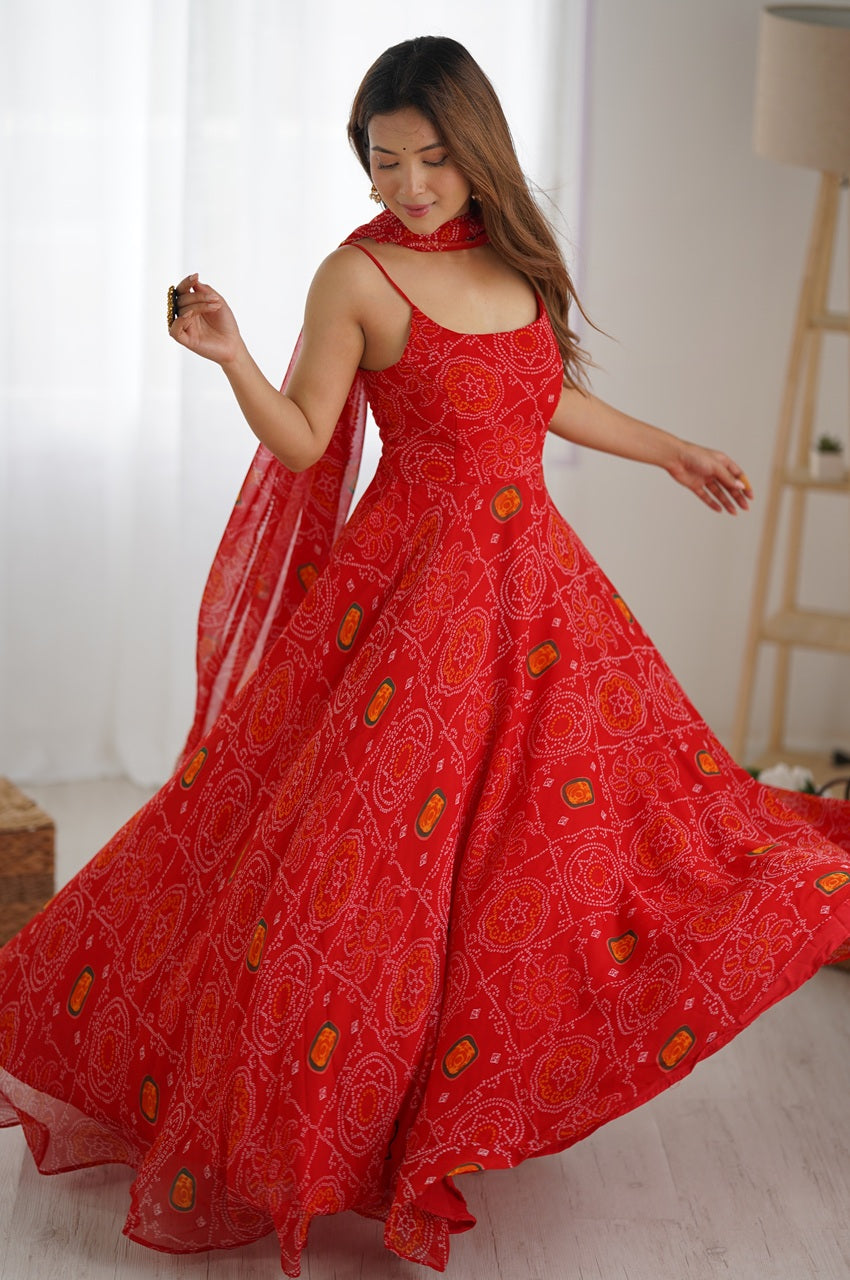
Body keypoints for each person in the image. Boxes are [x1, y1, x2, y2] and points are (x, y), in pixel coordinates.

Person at [2, 35, 850, 1278]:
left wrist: (671, 448)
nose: (409, 184)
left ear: (476, 148)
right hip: (407, 611)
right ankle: (349, 1136)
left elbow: (542, 400)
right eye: (385, 160)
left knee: (587, 842)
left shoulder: (516, 259)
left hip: (535, 594)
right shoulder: (356, 276)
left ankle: (451, 1111)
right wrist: (232, 351)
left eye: (432, 158)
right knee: (359, 882)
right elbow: (304, 441)